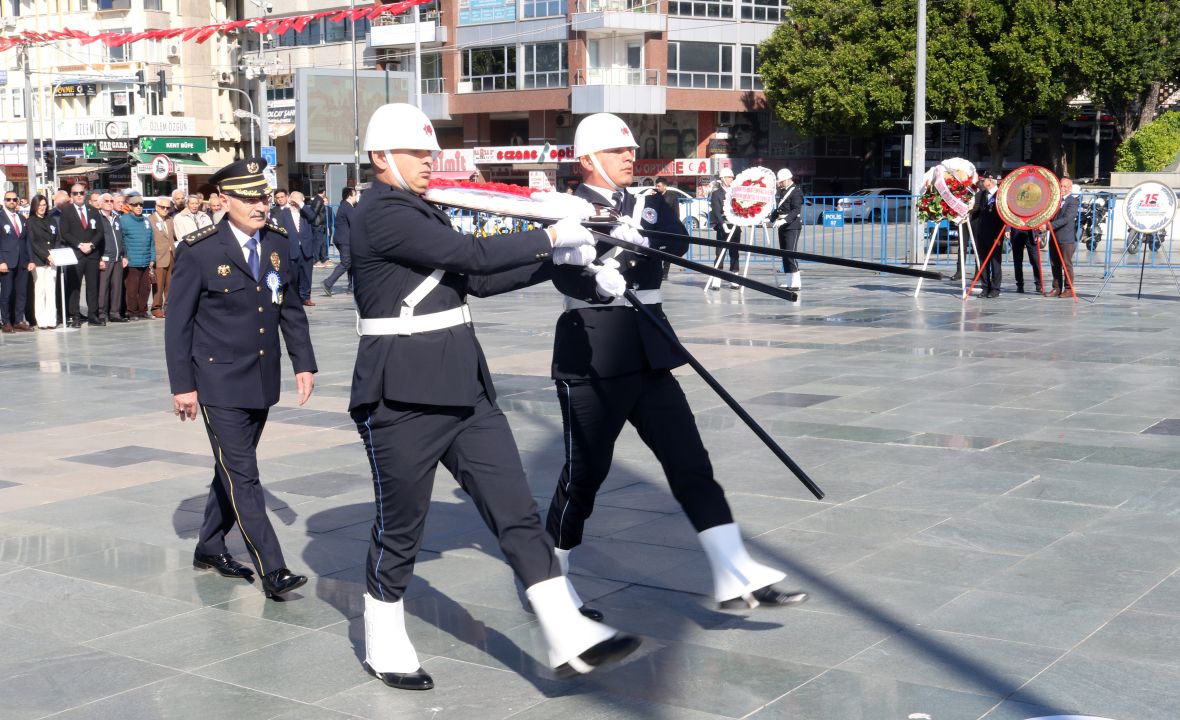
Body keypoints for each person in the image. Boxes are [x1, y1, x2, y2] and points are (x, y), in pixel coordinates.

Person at [349, 103, 638, 691]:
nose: (429, 164)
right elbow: (469, 257)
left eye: (430, 153)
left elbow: (476, 281)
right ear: (381, 158)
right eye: (415, 154)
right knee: (403, 523)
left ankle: (565, 632)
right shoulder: (380, 212)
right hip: (402, 393)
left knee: (516, 512)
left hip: (464, 386)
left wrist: (561, 259)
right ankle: (382, 633)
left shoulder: (421, 208)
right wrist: (551, 233)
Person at [547, 112, 808, 618]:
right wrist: (610, 267)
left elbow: (676, 241)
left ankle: (735, 574)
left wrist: (636, 242)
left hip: (650, 347)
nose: (629, 156)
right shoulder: (565, 208)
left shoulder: (650, 202)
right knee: (585, 474)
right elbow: (563, 274)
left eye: (630, 149)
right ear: (586, 161)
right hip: (595, 353)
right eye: (616, 150)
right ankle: (551, 586)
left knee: (690, 462)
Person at [165, 156, 317, 600]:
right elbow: (178, 325)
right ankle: (273, 569)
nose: (259, 205)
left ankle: (210, 546)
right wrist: (182, 386)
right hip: (216, 382)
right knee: (244, 474)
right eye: (249, 197)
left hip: (261, 377)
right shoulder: (200, 250)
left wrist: (302, 363)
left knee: (230, 470)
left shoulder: (276, 242)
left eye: (263, 196)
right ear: (223, 199)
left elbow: (288, 308)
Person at [58, 182, 103, 327]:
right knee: (74, 286)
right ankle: (75, 316)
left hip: (91, 254)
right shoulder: (67, 211)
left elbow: (100, 232)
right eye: (75, 193)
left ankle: (93, 315)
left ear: (85, 194)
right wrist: (79, 245)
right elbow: (65, 233)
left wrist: (91, 245)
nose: (79, 196)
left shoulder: (93, 210)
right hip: (76, 253)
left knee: (92, 286)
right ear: (71, 195)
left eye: (81, 193)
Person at [120, 195, 154, 320]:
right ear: (130, 206)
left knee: (145, 288)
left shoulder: (146, 220)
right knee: (132, 289)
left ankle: (143, 310)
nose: (139, 207)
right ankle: (132, 312)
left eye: (141, 205)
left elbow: (151, 241)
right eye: (135, 205)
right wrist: (125, 256)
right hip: (132, 261)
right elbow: (121, 240)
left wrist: (152, 258)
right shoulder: (123, 220)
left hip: (145, 260)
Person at [970, 172, 1004, 298]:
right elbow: (975, 209)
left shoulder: (1000, 195)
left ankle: (995, 288)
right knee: (983, 262)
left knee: (995, 263)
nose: (982, 182)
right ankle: (985, 287)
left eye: (984, 180)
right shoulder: (982, 194)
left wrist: (1000, 234)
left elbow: (1003, 217)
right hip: (982, 233)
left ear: (991, 180)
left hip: (995, 233)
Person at [27, 195, 58, 329]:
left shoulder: (51, 220)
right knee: (40, 290)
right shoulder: (31, 222)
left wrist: (54, 254)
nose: (42, 207)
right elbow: (33, 242)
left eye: (44, 205)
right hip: (39, 260)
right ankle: (41, 320)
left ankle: (51, 319)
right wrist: (47, 255)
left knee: (51, 290)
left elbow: (57, 238)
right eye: (39, 205)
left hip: (52, 260)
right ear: (34, 206)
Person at [96, 193, 128, 324]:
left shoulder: (117, 217)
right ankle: (102, 313)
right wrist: (99, 259)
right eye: (106, 201)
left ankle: (115, 312)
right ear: (100, 203)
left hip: (118, 258)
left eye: (111, 201)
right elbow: (96, 240)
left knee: (117, 287)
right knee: (103, 287)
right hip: (105, 257)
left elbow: (122, 238)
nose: (109, 203)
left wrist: (125, 255)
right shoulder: (98, 218)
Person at [281, 190, 317, 306]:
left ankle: (306, 297)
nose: (294, 203)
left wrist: (301, 205)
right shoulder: (284, 213)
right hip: (292, 248)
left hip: (306, 248)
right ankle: (294, 297)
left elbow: (313, 217)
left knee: (307, 274)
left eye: (297, 200)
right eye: (293, 200)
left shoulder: (305, 212)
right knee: (293, 275)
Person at [0, 190, 29, 333]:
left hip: (22, 261)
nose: (11, 201)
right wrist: (0, 261)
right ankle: (6, 322)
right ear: (4, 201)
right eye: (8, 199)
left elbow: (26, 241)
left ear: (17, 201)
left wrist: (30, 260)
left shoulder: (22, 219)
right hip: (7, 261)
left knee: (21, 292)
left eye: (14, 199)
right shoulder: (0, 217)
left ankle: (18, 320)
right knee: (6, 293)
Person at [771, 168, 803, 291]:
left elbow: (796, 210)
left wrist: (784, 220)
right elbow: (779, 209)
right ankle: (789, 281)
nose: (780, 184)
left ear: (788, 179)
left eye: (781, 181)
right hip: (782, 225)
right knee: (784, 254)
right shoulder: (783, 191)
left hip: (792, 225)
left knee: (791, 254)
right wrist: (770, 219)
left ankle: (796, 282)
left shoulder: (796, 191)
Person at [708, 168, 742, 286]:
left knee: (734, 252)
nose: (731, 179)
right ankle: (717, 279)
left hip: (735, 226)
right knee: (720, 252)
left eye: (732, 177)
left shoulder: (736, 192)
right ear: (722, 179)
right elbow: (717, 212)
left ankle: (735, 277)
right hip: (723, 227)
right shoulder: (716, 194)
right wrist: (723, 224)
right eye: (729, 177)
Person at [1047, 177, 1078, 297]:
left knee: (1066, 264)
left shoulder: (1073, 201)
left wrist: (1049, 226)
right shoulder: (1055, 201)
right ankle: (1056, 288)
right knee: (1055, 263)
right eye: (1061, 186)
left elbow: (1066, 219)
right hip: (1054, 237)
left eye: (1065, 186)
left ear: (1070, 188)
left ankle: (1069, 288)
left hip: (1066, 238)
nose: (1062, 188)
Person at [321, 187, 356, 296]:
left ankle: (351, 287)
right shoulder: (347, 207)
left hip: (342, 239)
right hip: (345, 240)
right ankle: (328, 283)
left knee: (351, 263)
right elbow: (355, 223)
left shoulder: (345, 206)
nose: (356, 197)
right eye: (355, 195)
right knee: (346, 262)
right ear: (350, 195)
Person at [149, 197, 177, 318]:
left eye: (168, 207)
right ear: (156, 207)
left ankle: (169, 306)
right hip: (159, 256)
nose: (165, 209)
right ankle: (156, 307)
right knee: (158, 285)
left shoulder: (170, 220)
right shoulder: (150, 220)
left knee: (170, 285)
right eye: (162, 207)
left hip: (171, 255)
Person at [1009, 227, 1043, 294]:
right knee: (1017, 261)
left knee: (1035, 260)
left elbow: (1038, 217)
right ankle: (1019, 284)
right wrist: (1007, 229)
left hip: (1031, 232)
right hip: (1016, 231)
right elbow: (1009, 216)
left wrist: (1040, 233)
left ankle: (1039, 283)